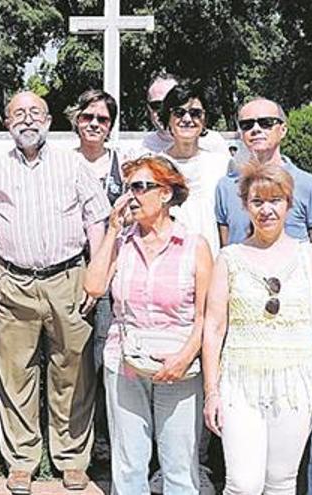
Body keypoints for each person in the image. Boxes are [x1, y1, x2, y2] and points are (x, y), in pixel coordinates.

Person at [0, 91, 110, 495]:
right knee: (16, 376)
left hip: (69, 280)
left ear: (49, 120)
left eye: (35, 113)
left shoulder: (73, 164)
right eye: (18, 114)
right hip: (14, 284)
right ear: (6, 121)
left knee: (73, 374)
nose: (27, 120)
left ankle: (71, 459)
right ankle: (22, 460)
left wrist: (95, 276)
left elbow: (96, 220)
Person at [202, 162, 312, 494]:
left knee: (281, 482)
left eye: (275, 200)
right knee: (241, 484)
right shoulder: (229, 258)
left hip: (296, 384)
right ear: (245, 206)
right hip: (238, 384)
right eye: (257, 202)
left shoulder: (310, 257)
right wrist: (211, 392)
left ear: (288, 204)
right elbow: (214, 327)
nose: (266, 210)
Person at [84, 155, 212, 495]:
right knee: (128, 464)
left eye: (143, 187)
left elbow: (206, 316)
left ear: (167, 194)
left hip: (177, 364)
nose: (133, 196)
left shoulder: (194, 247)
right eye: (130, 188)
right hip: (125, 361)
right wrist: (112, 229)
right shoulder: (122, 242)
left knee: (179, 466)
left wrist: (186, 356)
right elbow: (94, 287)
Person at [68, 88, 122, 465]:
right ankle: (71, 435)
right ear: (75, 120)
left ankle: (104, 436)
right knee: (69, 358)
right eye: (87, 117)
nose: (94, 124)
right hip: (67, 271)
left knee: (105, 355)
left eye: (102, 119)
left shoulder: (124, 166)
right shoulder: (60, 162)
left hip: (111, 277)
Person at [216, 97, 312, 249]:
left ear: (283, 130)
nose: (256, 129)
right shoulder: (225, 187)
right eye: (247, 125)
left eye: (266, 123)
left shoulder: (310, 186)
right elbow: (226, 246)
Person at [157, 84, 230, 257]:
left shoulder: (222, 165)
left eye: (196, 113)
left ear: (205, 120)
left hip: (212, 259)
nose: (188, 119)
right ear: (168, 118)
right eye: (179, 113)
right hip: (166, 261)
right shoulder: (154, 165)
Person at [137, 72, 230, 156]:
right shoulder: (141, 150)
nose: (164, 111)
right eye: (157, 105)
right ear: (148, 108)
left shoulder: (215, 145)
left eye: (174, 104)